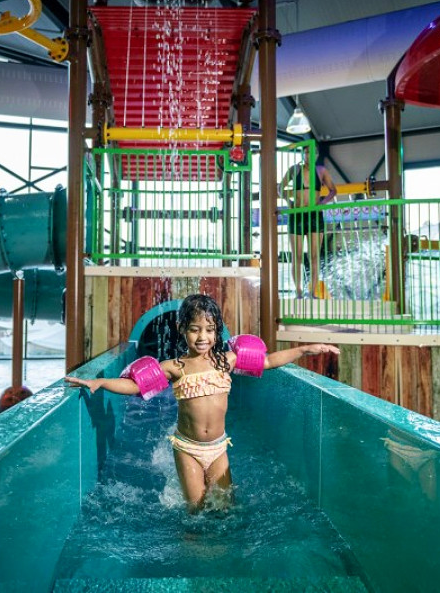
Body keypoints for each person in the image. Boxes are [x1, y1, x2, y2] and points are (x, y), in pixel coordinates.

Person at [65, 294, 339, 512]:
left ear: (217, 331)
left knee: (225, 508)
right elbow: (136, 386)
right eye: (194, 329)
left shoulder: (226, 360)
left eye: (209, 330)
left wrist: (303, 350)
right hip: (187, 448)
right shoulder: (175, 366)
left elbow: (267, 361)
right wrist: (100, 383)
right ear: (181, 329)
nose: (202, 337)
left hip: (218, 447)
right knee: (195, 510)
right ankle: (193, 547)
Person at [278, 145, 338, 299]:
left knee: (314, 256)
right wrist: (288, 201)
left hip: (314, 215)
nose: (308, 155)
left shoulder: (321, 171)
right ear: (302, 154)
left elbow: (333, 190)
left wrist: (323, 203)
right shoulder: (294, 170)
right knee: (296, 256)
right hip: (297, 214)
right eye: (305, 152)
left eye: (311, 152)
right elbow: (280, 187)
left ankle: (312, 292)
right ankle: (298, 291)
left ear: (316, 154)